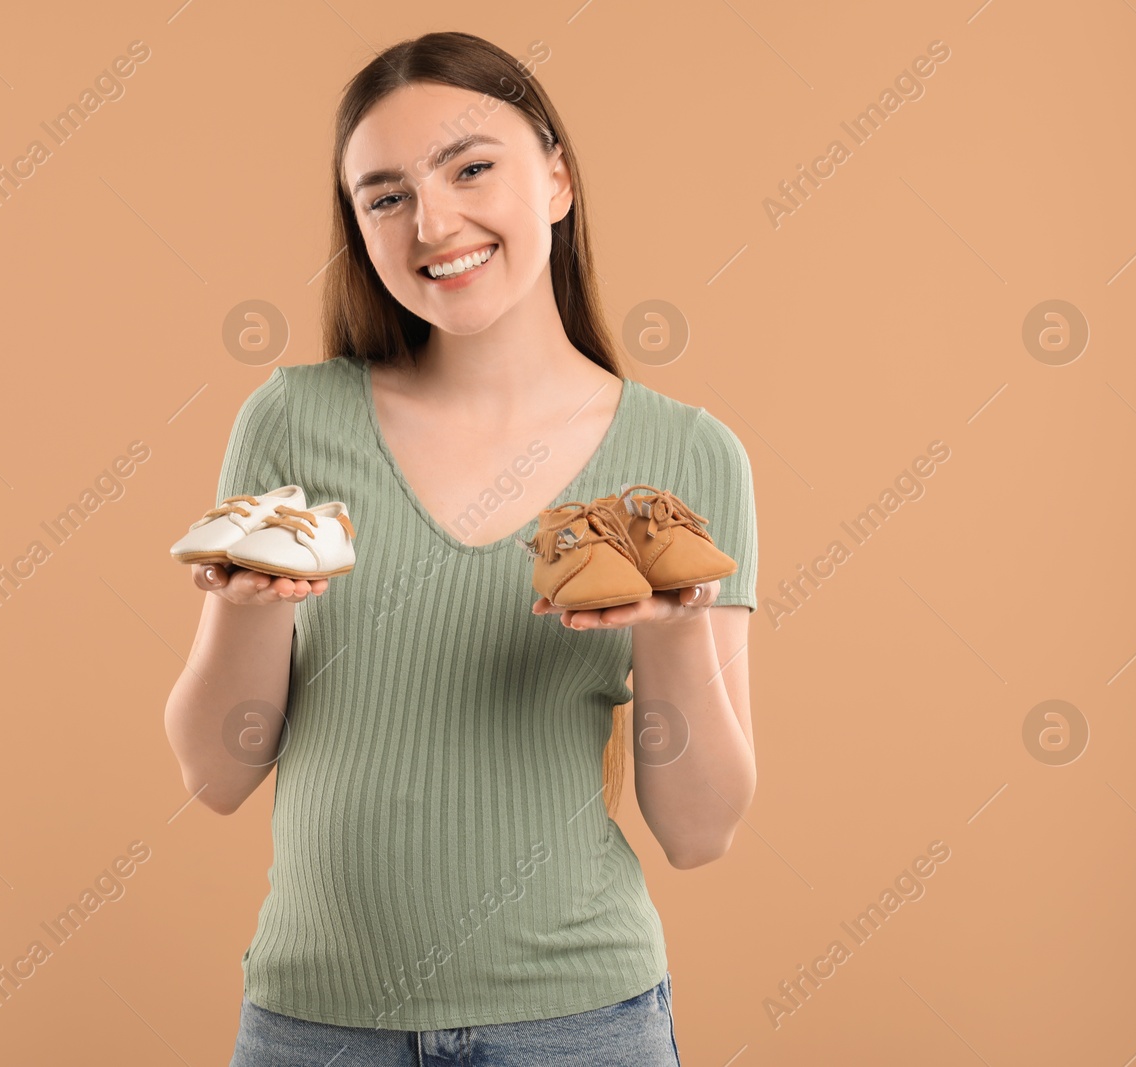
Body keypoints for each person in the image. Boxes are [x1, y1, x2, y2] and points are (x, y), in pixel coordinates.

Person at [164, 30, 758, 1067]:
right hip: (317, 1025)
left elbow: (700, 830)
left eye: (471, 167)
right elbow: (216, 772)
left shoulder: (684, 457)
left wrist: (670, 631)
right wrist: (249, 603)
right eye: (384, 195)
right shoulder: (293, 423)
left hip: (581, 1026)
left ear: (558, 180)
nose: (432, 222)